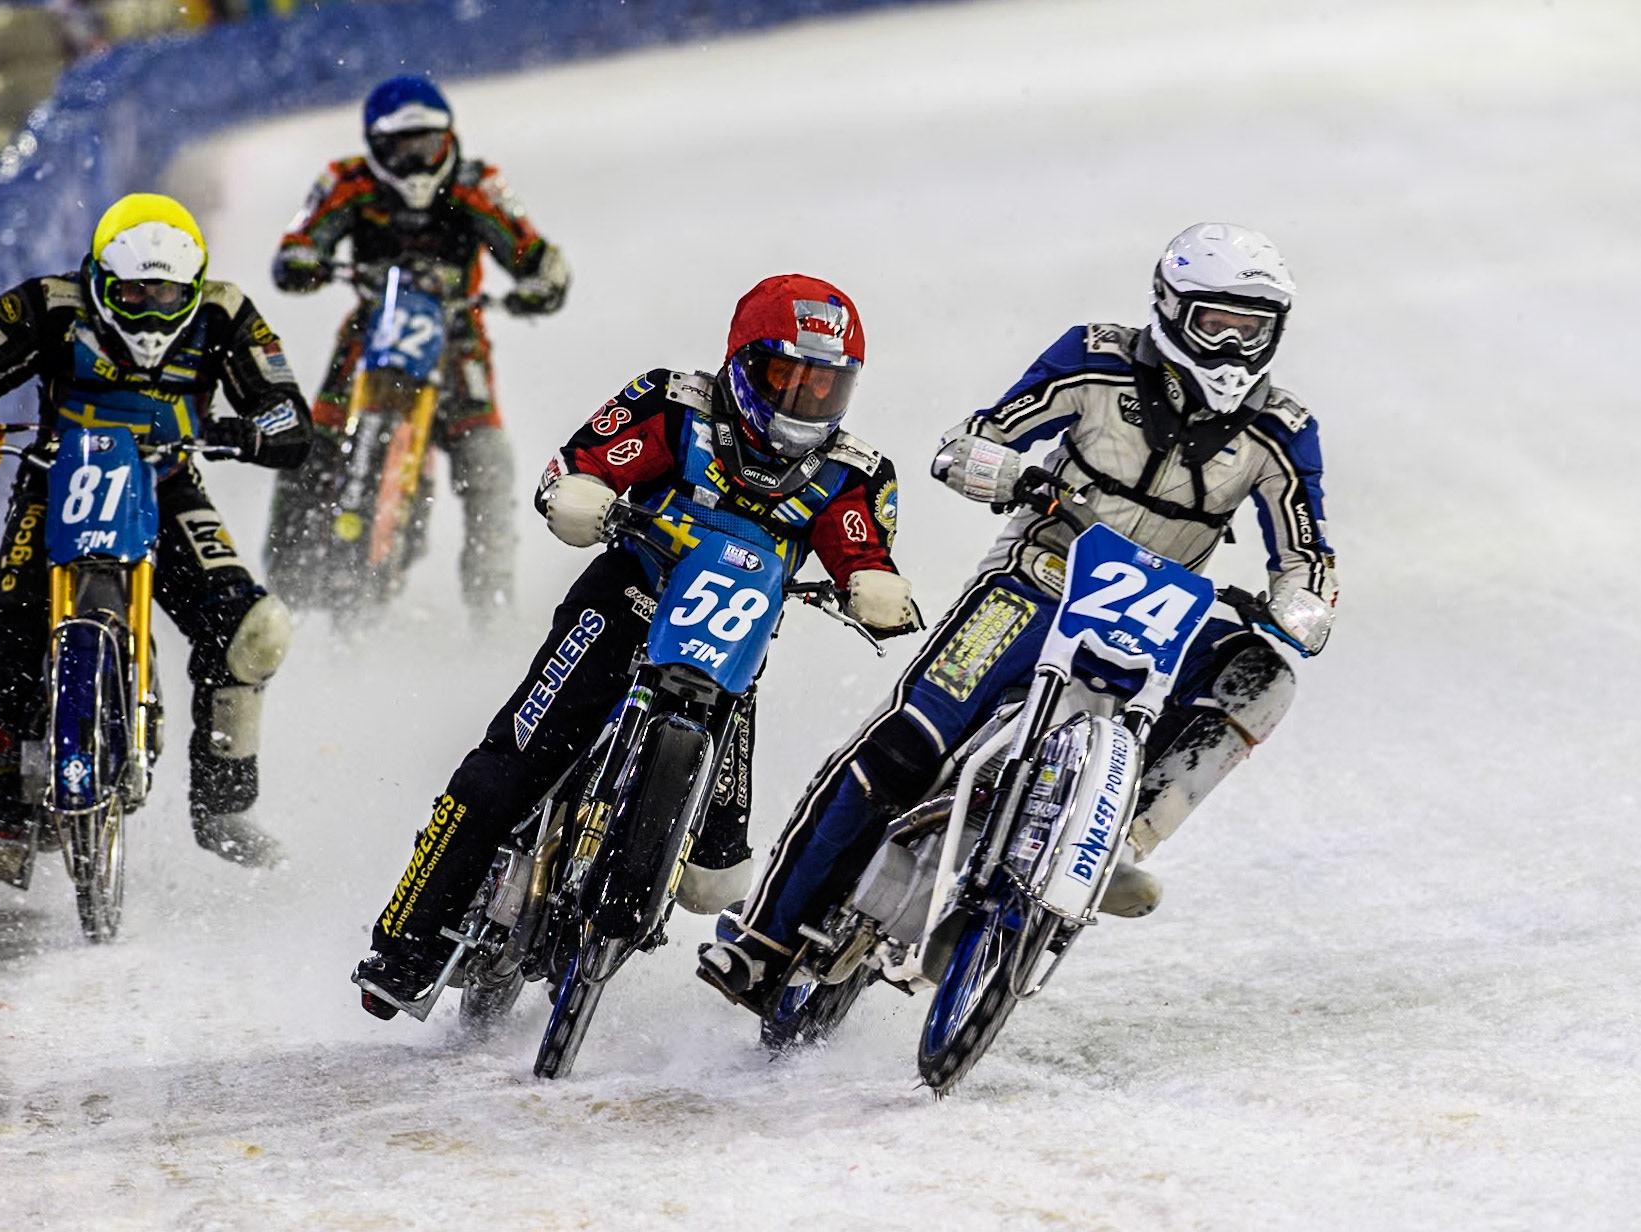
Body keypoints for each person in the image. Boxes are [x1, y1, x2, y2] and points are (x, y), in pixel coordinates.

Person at [699, 223, 1340, 1010]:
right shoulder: (1093, 357)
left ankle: (1117, 838)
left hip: (1160, 614)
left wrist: (1300, 606)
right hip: (1035, 578)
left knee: (1263, 673)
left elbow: (1306, 549)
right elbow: (969, 440)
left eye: (1255, 329)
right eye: (1217, 323)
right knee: (907, 741)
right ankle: (763, 936)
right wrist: (1003, 472)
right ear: (1171, 310)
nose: (1235, 348)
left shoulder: (1283, 428)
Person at [352, 274, 922, 1013]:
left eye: (824, 388)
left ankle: (648, 904)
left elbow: (864, 553)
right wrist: (577, 493)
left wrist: (872, 585)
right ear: (744, 364)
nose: (801, 402)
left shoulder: (855, 472)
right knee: (508, 764)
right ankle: (404, 944)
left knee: (717, 870)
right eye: (786, 377)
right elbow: (579, 464)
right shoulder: (669, 402)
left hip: (730, 653)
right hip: (628, 593)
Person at [0, 192, 312, 884]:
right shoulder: (48, 303)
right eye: (132, 291)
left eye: (166, 292)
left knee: (255, 631)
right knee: (5, 634)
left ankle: (222, 807)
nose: (150, 308)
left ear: (191, 287)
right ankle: (3, 815)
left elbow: (287, 412)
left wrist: (248, 431)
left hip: (166, 481)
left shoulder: (225, 311)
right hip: (55, 474)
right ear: (100, 281)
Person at [269, 73, 571, 622]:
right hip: (369, 336)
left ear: (448, 138)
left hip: (458, 344)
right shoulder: (347, 181)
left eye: (426, 145)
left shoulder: (478, 186)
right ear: (375, 147)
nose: (415, 162)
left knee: (489, 467)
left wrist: (542, 284)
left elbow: (536, 252)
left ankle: (491, 608)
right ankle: (283, 588)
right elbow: (299, 239)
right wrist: (301, 260)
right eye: (400, 149)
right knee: (306, 442)